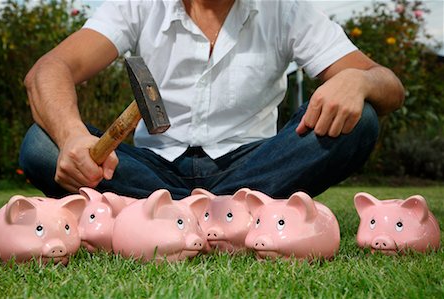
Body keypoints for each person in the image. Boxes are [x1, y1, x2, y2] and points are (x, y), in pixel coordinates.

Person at [20, 0, 404, 200]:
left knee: (362, 120)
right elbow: (49, 69)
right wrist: (71, 135)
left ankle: (169, 214)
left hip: (254, 167)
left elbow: (389, 85)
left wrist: (358, 80)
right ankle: (229, 214)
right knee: (41, 144)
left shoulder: (287, 10)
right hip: (153, 169)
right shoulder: (137, 6)